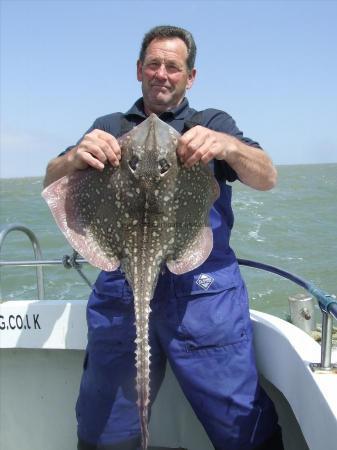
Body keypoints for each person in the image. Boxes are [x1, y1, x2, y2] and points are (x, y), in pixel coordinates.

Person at [44, 25, 284, 450]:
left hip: (202, 292)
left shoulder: (210, 123)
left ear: (190, 76)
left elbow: (267, 176)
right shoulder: (110, 126)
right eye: (153, 64)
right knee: (105, 428)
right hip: (121, 287)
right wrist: (73, 158)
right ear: (139, 70)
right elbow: (52, 180)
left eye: (173, 66)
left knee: (240, 424)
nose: (162, 73)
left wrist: (225, 146)